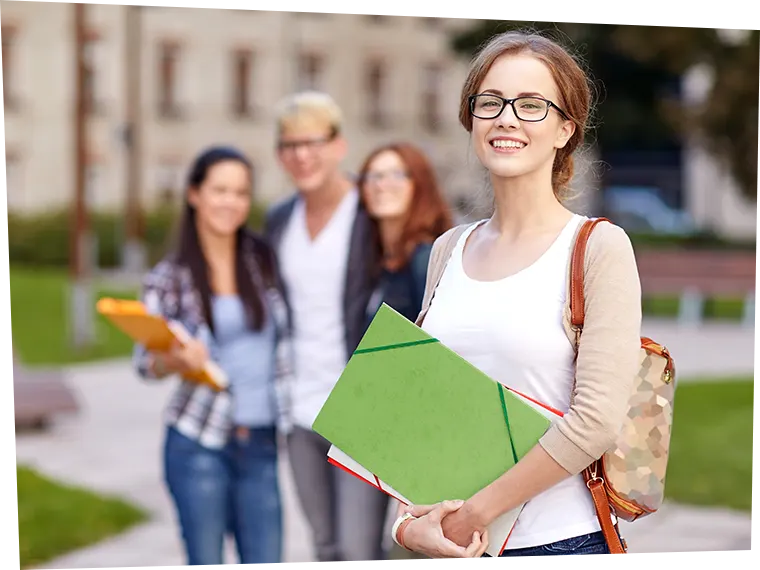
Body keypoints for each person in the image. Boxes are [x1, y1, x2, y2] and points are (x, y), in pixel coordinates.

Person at [389, 30, 643, 568]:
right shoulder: (448, 249)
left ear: (564, 129)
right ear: (472, 120)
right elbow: (413, 405)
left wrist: (476, 513)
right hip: (454, 550)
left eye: (531, 105)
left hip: (560, 546)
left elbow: (595, 420)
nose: (507, 118)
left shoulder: (596, 247)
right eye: (491, 102)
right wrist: (409, 524)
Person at [132, 146, 293, 570]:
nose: (231, 202)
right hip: (198, 442)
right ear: (194, 195)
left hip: (260, 442)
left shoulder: (262, 261)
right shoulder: (169, 278)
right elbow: (144, 363)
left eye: (241, 193)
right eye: (220, 190)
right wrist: (178, 361)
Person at [263, 91, 389, 570]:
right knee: (326, 549)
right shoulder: (279, 219)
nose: (301, 155)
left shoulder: (370, 210)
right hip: (300, 410)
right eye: (290, 145)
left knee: (359, 553)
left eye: (313, 141)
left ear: (339, 146)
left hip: (361, 410)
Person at [357, 142, 453, 325]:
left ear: (420, 184)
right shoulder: (375, 261)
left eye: (397, 174)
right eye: (374, 176)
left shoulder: (426, 259)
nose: (382, 185)